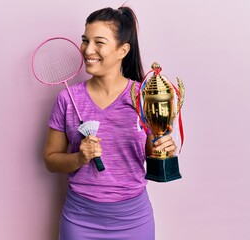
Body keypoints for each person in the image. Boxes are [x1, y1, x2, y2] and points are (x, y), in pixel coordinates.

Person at [44, 6, 177, 240]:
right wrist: (79, 157)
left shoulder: (143, 97)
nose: (88, 49)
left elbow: (148, 154)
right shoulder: (67, 98)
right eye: (85, 40)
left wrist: (162, 148)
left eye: (99, 42)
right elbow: (51, 160)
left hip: (133, 219)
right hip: (80, 218)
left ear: (122, 50)